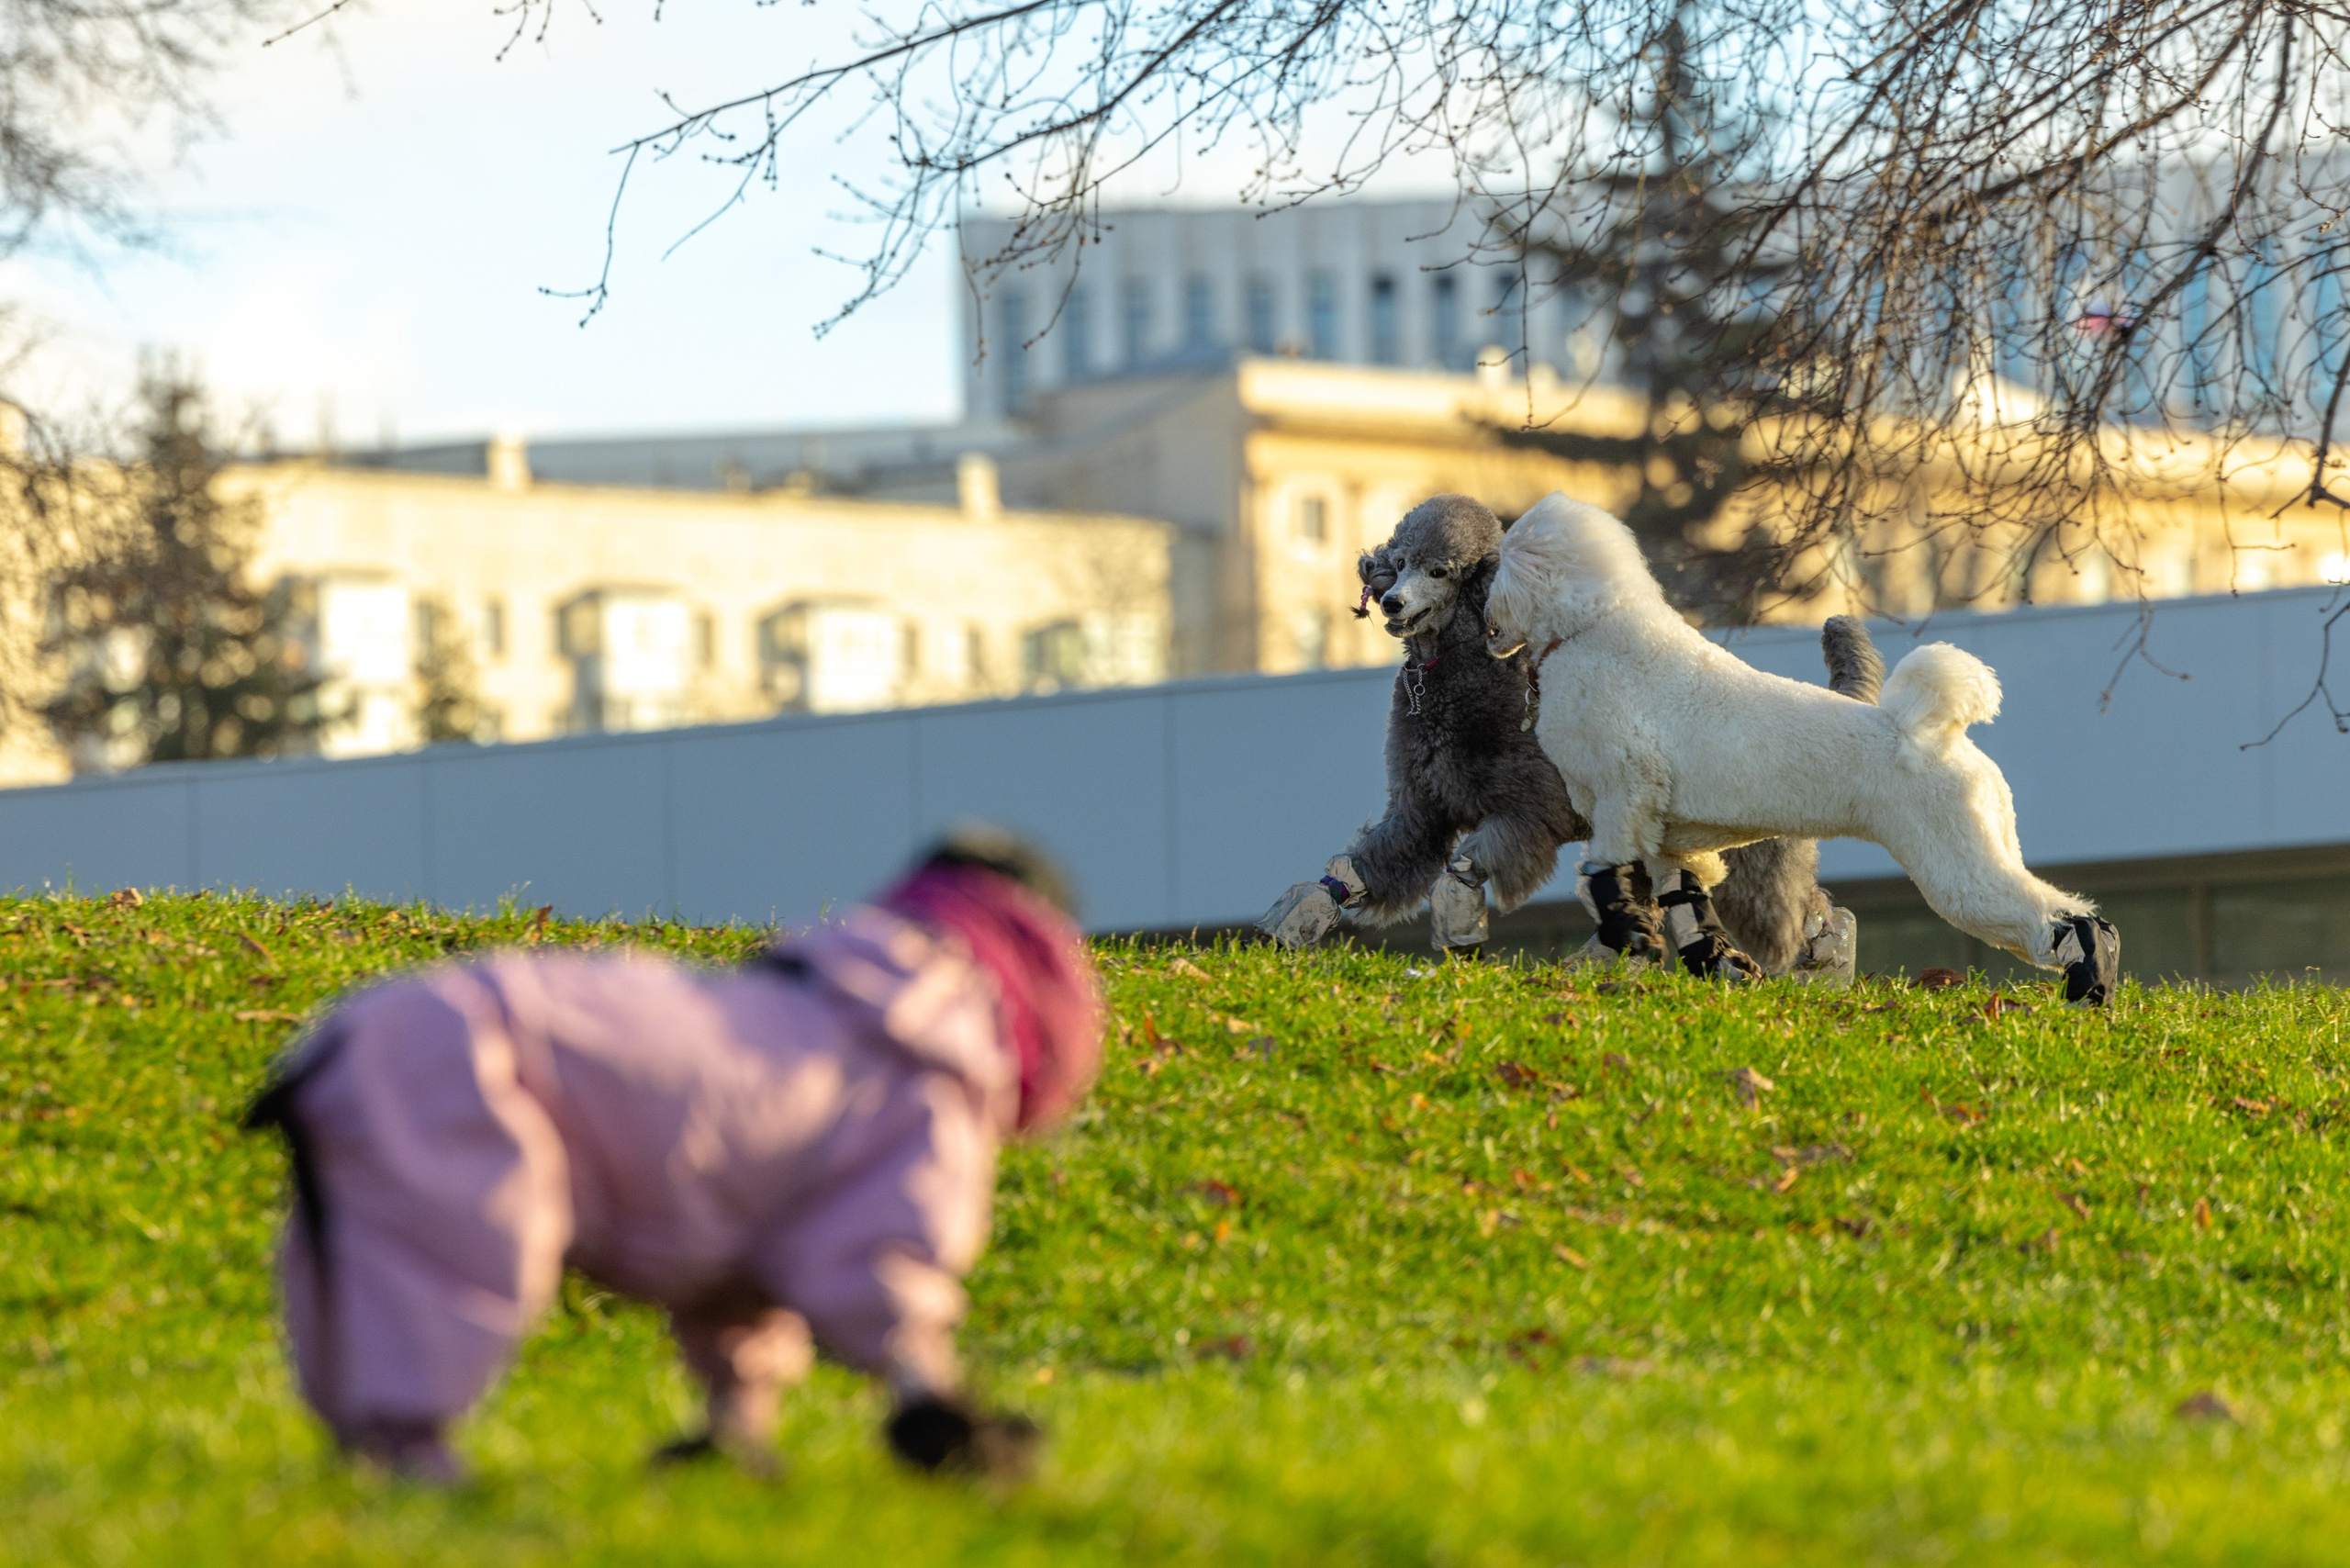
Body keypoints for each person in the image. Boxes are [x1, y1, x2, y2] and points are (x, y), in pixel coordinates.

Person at [243, 824, 1101, 1484]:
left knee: (372, 1245)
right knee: (457, 1239)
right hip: (469, 1052)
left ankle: (384, 1444)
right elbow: (876, 1255)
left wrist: (742, 1409)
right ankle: (403, 1458)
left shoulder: (813, 1008)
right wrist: (926, 1383)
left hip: (411, 1030)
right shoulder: (917, 1071)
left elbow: (748, 1234)